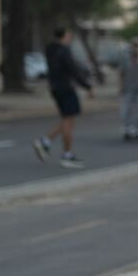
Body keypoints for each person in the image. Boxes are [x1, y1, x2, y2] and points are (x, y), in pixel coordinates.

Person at [33, 27, 92, 170]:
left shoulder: (50, 50)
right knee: (68, 121)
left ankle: (46, 142)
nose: (70, 37)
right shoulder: (64, 51)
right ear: (64, 36)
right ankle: (66, 154)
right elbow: (73, 69)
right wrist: (87, 86)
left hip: (55, 88)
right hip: (66, 88)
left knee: (67, 118)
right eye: (69, 34)